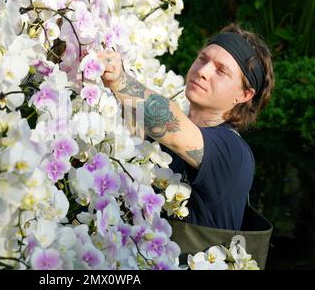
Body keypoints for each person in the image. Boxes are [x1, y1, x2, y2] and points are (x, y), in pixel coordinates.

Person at [97, 23, 274, 231]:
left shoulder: (234, 152)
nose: (204, 71)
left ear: (244, 95)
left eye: (221, 71)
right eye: (203, 59)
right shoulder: (154, 138)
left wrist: (120, 80)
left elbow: (172, 128)